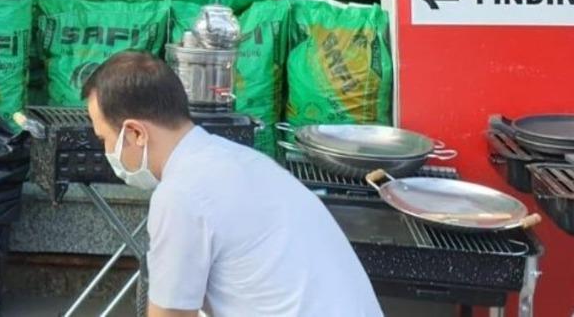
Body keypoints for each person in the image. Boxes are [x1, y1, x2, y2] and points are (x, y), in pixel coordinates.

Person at [83, 51, 383, 317]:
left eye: (105, 139)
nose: (108, 150)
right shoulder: (243, 160)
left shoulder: (180, 195)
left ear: (135, 133)